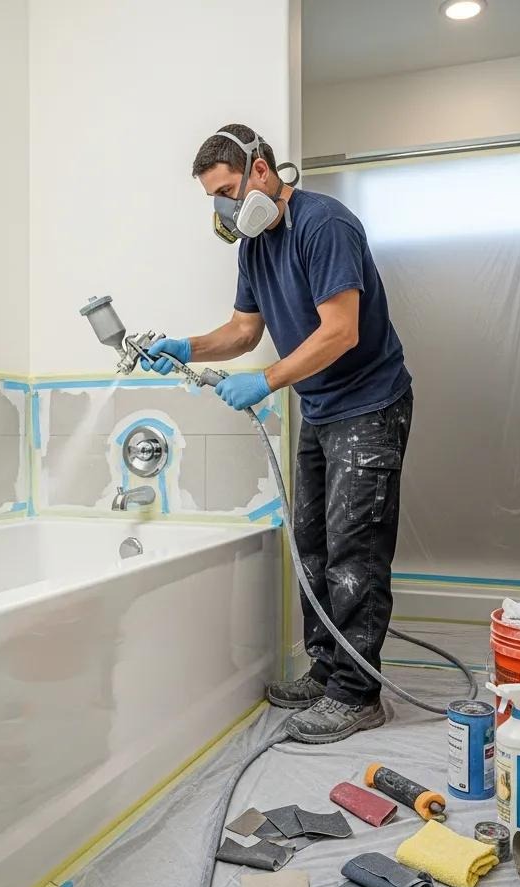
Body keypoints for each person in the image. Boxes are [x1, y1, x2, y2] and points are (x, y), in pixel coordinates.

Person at [145, 123, 412, 744]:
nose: (226, 208)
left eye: (230, 190)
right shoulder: (253, 247)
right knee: (312, 542)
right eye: (215, 198)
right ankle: (327, 670)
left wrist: (265, 383)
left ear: (262, 172)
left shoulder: (326, 225)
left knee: (355, 550)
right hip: (320, 407)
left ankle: (358, 693)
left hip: (370, 403)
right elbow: (243, 331)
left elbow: (340, 331)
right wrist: (186, 345)